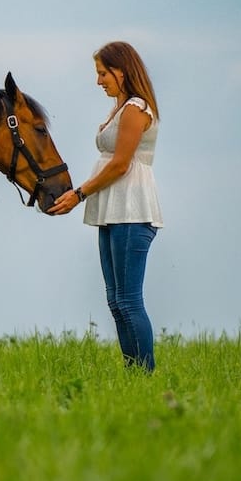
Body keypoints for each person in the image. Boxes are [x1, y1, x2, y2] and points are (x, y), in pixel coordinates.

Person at [49, 41, 163, 371]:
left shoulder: (135, 109)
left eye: (103, 73)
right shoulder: (120, 108)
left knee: (128, 301)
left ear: (121, 71)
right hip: (113, 210)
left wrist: (79, 194)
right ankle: (134, 374)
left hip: (132, 209)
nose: (99, 81)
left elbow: (120, 165)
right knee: (115, 301)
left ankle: (144, 376)